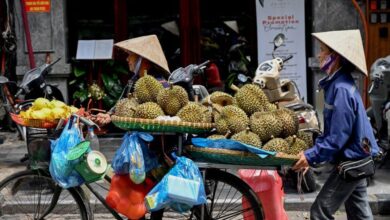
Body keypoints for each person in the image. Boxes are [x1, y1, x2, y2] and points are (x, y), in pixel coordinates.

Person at [292, 29, 380, 220]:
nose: (319, 55)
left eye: (323, 50)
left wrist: (310, 156)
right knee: (360, 214)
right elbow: (332, 132)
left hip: (352, 160)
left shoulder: (341, 89)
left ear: (335, 57)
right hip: (357, 158)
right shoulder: (336, 84)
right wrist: (312, 154)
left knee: (319, 212)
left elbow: (336, 137)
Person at [91, 35, 171, 126]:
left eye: (130, 55)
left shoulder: (161, 84)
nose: (127, 59)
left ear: (142, 59)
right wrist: (109, 115)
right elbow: (123, 103)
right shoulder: (134, 81)